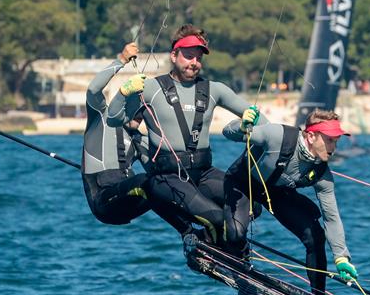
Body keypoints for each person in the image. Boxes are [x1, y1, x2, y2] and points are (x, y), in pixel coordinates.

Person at [107, 24, 265, 243]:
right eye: (189, 56)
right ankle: (205, 241)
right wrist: (123, 93)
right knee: (217, 218)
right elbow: (113, 118)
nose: (194, 63)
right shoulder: (151, 88)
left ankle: (226, 246)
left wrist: (256, 123)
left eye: (198, 58)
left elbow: (260, 119)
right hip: (167, 176)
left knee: (252, 205)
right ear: (174, 55)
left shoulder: (214, 89)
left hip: (204, 172)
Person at [221, 109, 358, 295]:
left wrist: (341, 256)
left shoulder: (322, 174)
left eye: (336, 141)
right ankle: (238, 266)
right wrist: (243, 127)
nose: (334, 147)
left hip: (275, 193)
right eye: (330, 140)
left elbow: (331, 216)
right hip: (243, 183)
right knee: (236, 233)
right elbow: (227, 132)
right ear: (311, 136)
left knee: (315, 236)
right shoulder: (278, 136)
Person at [81, 42, 150, 225]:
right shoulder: (101, 118)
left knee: (167, 186)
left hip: (127, 207)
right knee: (148, 181)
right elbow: (93, 89)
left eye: (145, 113)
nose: (141, 117)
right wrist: (121, 60)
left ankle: (193, 234)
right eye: (139, 111)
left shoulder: (138, 140)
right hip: (103, 203)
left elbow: (160, 168)